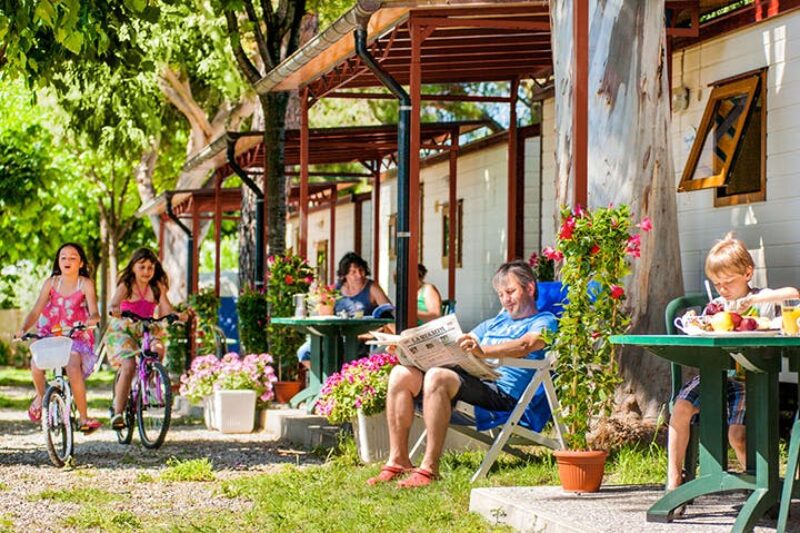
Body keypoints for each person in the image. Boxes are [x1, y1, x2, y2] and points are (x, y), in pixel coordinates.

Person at [367, 259, 557, 488]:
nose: (505, 299)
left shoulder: (544, 320)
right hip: (473, 382)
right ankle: (398, 461)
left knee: (438, 376)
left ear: (529, 288)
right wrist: (407, 350)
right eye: (500, 294)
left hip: (501, 395)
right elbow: (462, 344)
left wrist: (483, 351)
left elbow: (527, 345)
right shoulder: (492, 324)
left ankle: (429, 469)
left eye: (510, 291)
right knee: (400, 373)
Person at [667, 234, 800, 491]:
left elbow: (793, 294)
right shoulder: (716, 308)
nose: (723, 289)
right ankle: (674, 478)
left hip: (751, 378)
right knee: (680, 409)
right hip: (715, 375)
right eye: (717, 284)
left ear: (748, 273)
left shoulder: (762, 301)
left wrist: (752, 301)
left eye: (728, 282)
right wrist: (697, 321)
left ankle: (758, 485)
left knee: (737, 436)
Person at [15, 243, 102, 434]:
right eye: (63, 257)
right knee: (36, 365)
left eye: (73, 257)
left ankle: (84, 417)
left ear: (81, 263)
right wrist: (23, 329)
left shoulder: (85, 284)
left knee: (73, 366)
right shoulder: (51, 283)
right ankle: (40, 396)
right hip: (50, 332)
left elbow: (94, 312)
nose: (67, 261)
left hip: (75, 334)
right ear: (58, 261)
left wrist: (93, 320)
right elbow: (37, 310)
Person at [107, 248, 181, 430]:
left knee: (158, 350)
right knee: (129, 365)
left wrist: (177, 316)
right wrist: (115, 309)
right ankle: (118, 412)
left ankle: (151, 380)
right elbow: (113, 303)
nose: (147, 271)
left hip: (146, 328)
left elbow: (166, 310)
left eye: (150, 267)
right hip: (123, 329)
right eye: (142, 267)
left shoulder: (157, 287)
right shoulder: (126, 284)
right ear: (133, 268)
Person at [297, 252, 392, 365]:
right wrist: (323, 301)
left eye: (361, 270)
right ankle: (328, 378)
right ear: (344, 275)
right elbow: (323, 312)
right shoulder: (336, 289)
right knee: (304, 352)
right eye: (353, 272)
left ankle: (337, 378)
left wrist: (375, 332)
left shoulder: (372, 287)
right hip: (337, 335)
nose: (359, 275)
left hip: (362, 337)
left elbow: (388, 312)